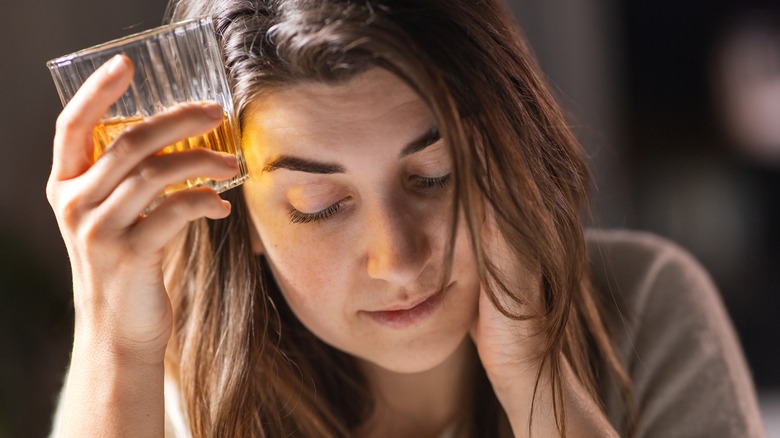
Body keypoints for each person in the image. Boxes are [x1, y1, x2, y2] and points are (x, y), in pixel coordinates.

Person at [47, 0, 765, 436]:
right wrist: (114, 338)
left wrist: (534, 380)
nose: (399, 258)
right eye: (320, 208)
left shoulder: (644, 307)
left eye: (433, 176)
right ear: (242, 217)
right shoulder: (176, 388)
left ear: (504, 150)